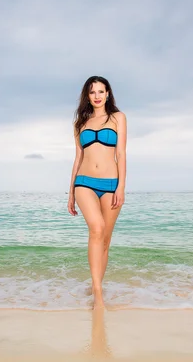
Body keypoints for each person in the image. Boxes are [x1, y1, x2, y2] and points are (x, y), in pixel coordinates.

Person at [67, 75, 127, 309]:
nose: (97, 96)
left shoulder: (118, 118)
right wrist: (71, 192)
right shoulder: (80, 123)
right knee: (97, 229)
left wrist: (121, 186)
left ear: (108, 93)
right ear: (87, 96)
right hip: (84, 183)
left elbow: (121, 153)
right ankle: (98, 294)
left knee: (105, 241)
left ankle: (96, 284)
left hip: (111, 184)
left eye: (101, 91)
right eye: (92, 92)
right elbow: (78, 157)